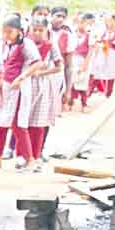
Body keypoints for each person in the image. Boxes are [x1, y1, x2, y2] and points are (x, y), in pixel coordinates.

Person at [0, 14, 43, 170]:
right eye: (4, 32)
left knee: (17, 124)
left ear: (19, 31)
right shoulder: (7, 45)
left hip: (19, 89)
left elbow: (37, 63)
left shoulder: (26, 44)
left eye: (9, 32)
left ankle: (30, 160)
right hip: (7, 88)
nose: (6, 35)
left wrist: (21, 78)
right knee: (1, 123)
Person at [25, 18, 64, 164]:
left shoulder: (50, 46)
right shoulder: (25, 44)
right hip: (25, 84)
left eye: (40, 30)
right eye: (34, 30)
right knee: (24, 122)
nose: (37, 33)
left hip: (43, 86)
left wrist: (41, 73)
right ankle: (24, 154)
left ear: (47, 31)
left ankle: (36, 154)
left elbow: (59, 66)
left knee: (39, 122)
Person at [89, 13, 115, 98]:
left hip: (114, 55)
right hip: (103, 54)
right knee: (97, 73)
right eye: (108, 21)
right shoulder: (102, 31)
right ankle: (89, 93)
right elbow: (97, 41)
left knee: (111, 75)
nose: (110, 23)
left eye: (112, 20)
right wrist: (99, 43)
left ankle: (108, 94)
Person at [67, 13, 94, 111]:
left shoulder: (89, 35)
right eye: (79, 22)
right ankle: (70, 102)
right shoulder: (72, 34)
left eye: (83, 23)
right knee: (72, 81)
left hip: (83, 59)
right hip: (73, 59)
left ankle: (84, 104)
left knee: (82, 82)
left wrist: (85, 63)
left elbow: (91, 50)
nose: (81, 25)